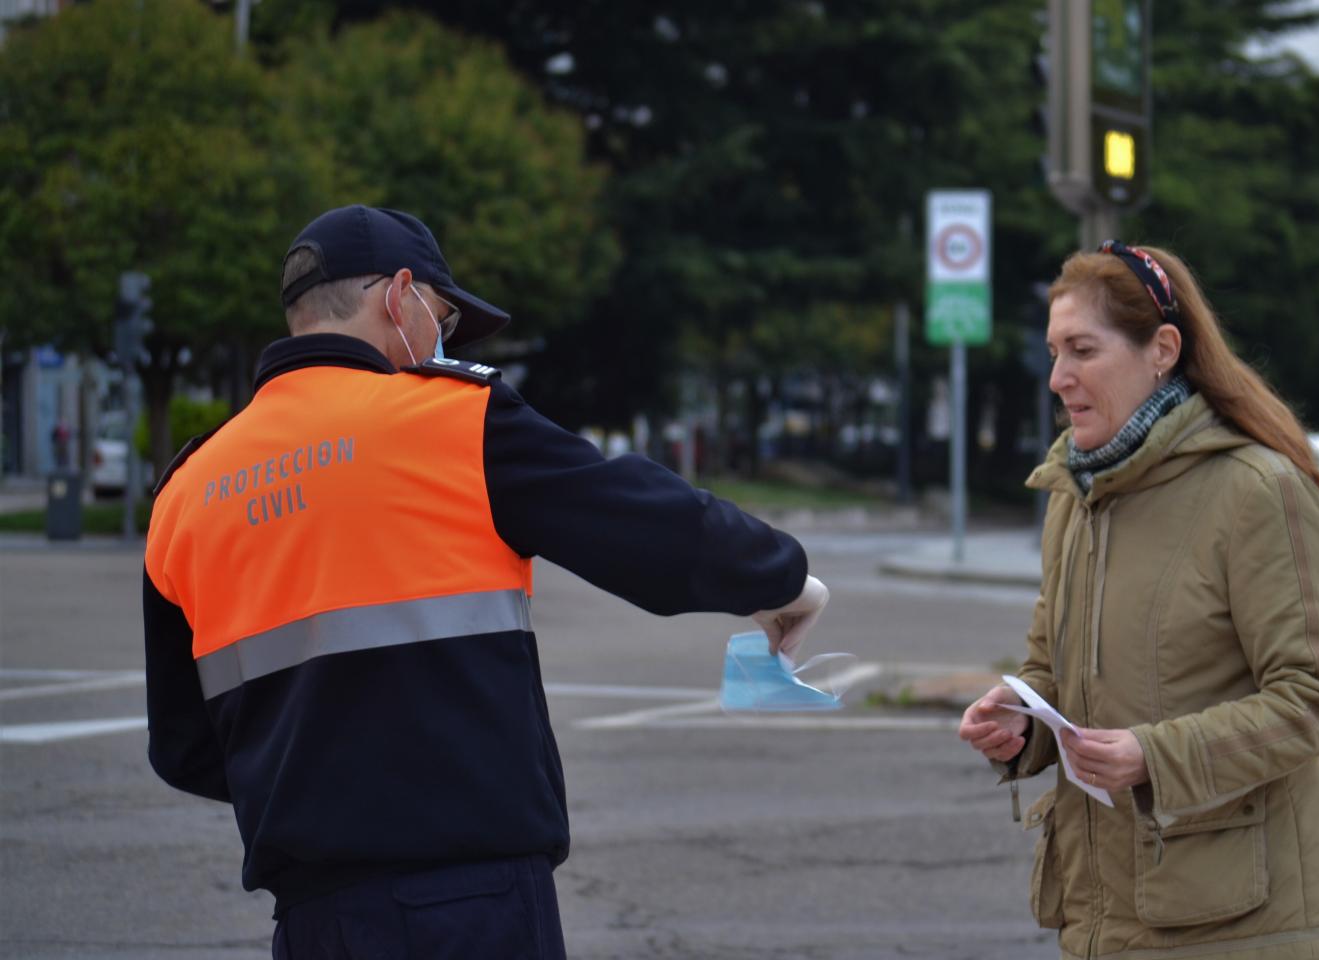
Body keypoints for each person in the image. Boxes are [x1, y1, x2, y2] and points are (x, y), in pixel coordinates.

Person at [143, 205, 828, 957]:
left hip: (312, 923)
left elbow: (185, 749)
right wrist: (783, 578)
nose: (442, 340)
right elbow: (645, 523)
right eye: (441, 316)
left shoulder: (188, 490)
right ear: (398, 295)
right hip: (468, 903)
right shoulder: (448, 421)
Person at [957, 242, 1319, 960]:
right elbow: (1053, 670)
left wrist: (1153, 754)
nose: (1058, 378)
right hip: (1106, 922)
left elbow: (1317, 696)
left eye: (1083, 350)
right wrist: (1022, 726)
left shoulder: (1258, 491)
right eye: (1053, 352)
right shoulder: (1074, 497)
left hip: (1245, 930)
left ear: (1162, 350)